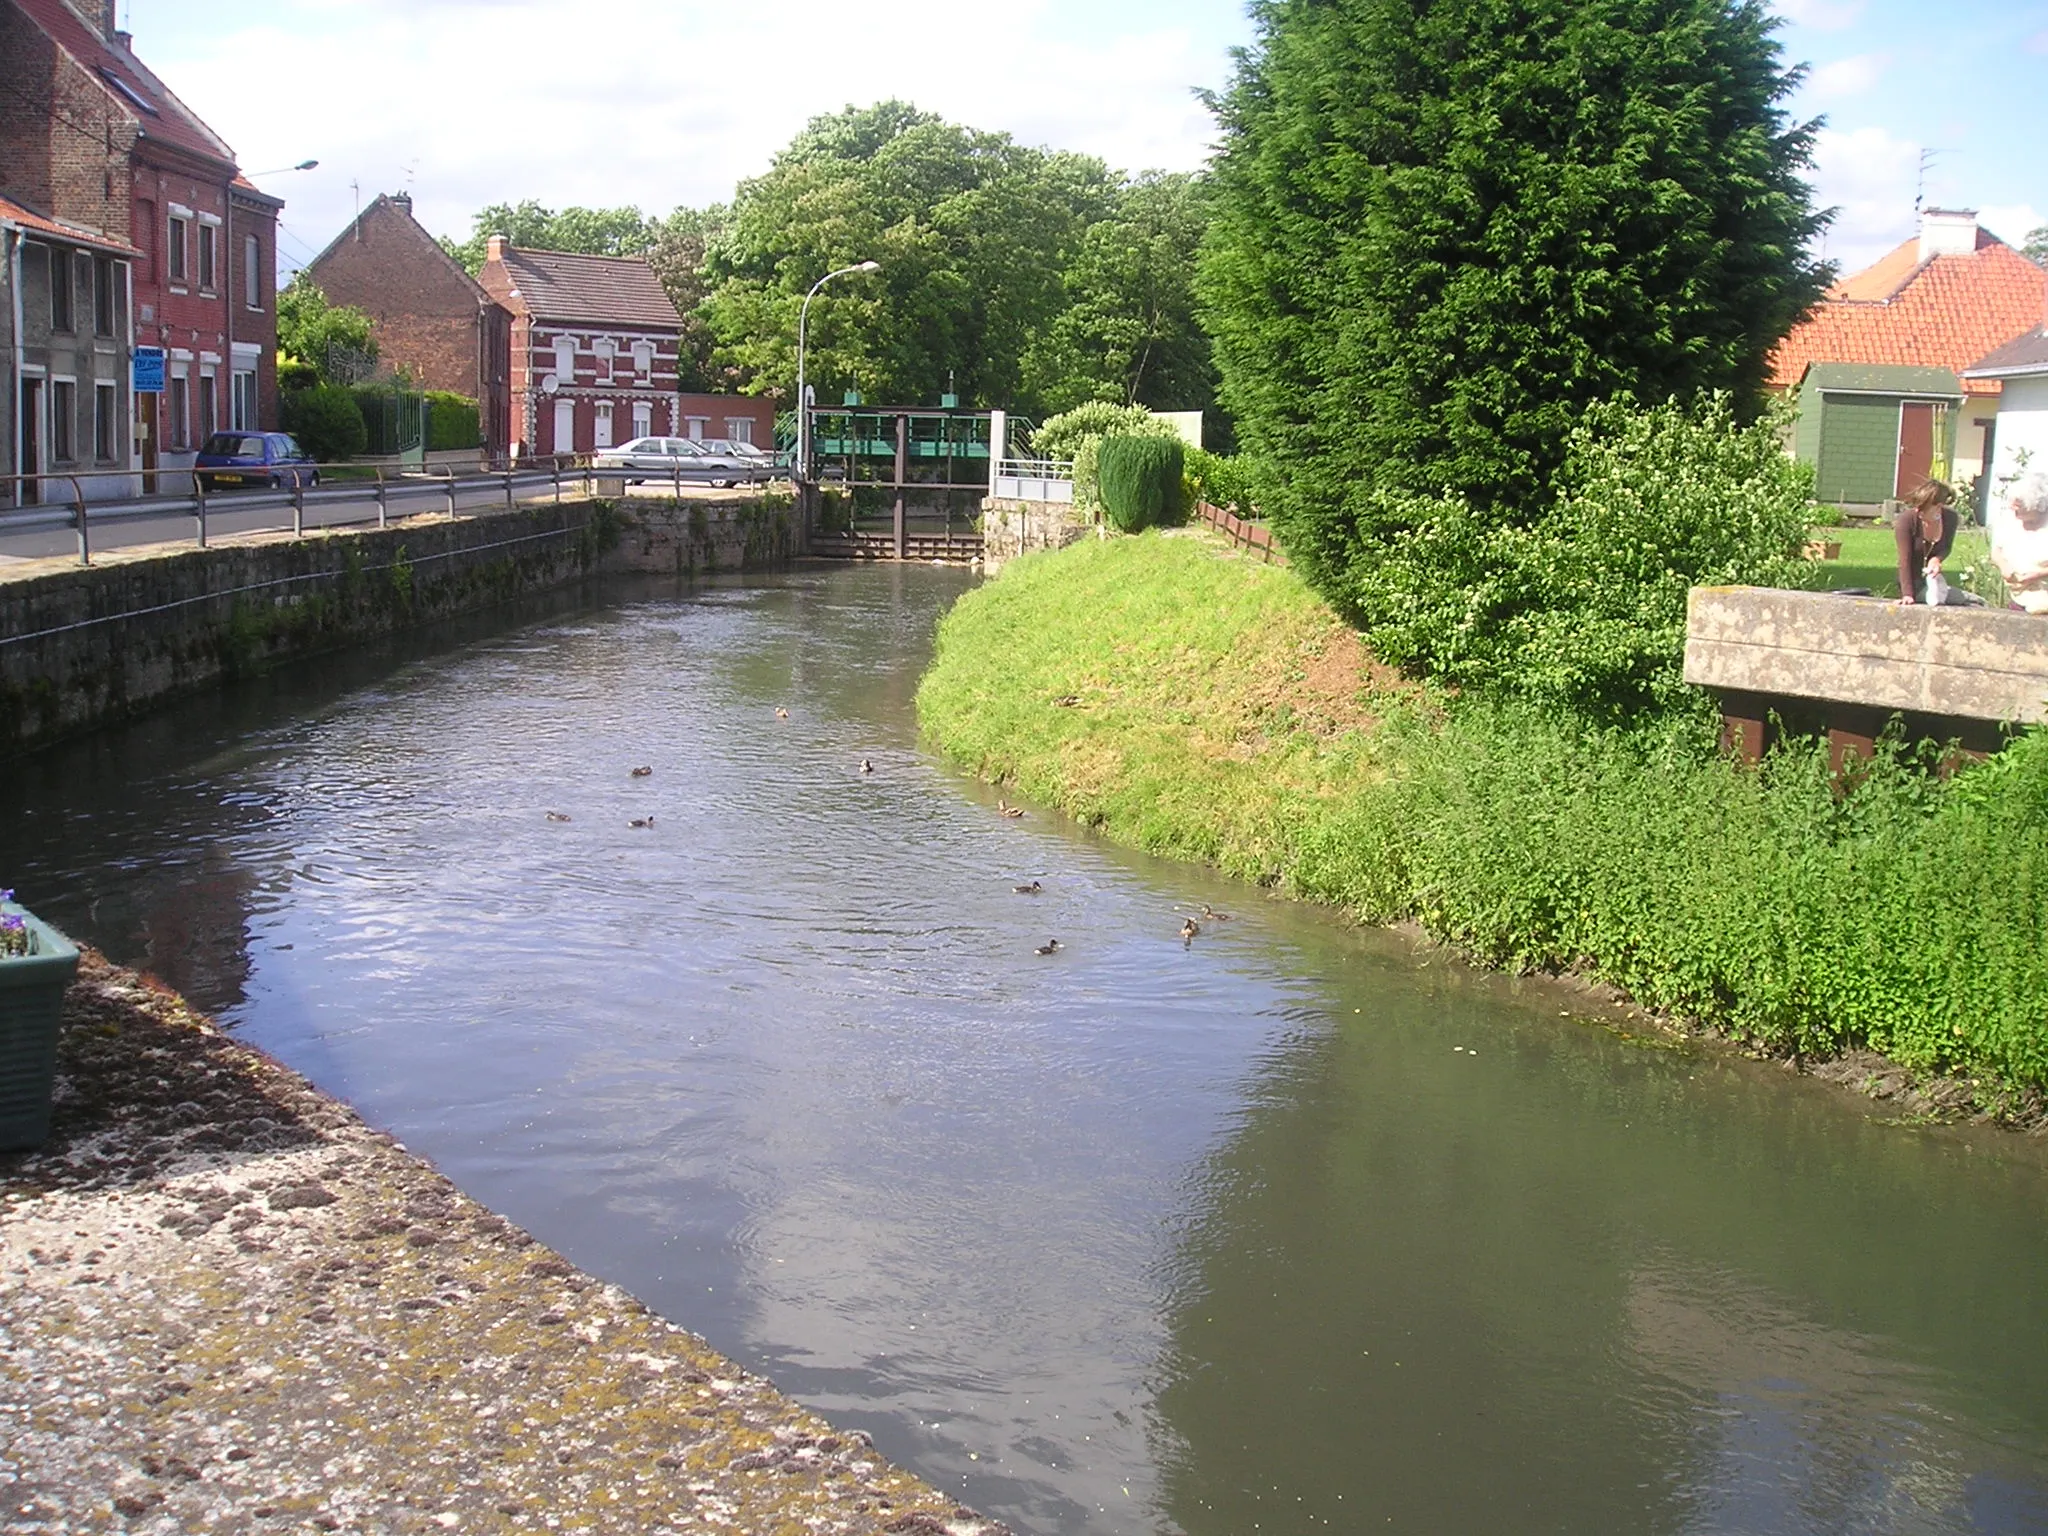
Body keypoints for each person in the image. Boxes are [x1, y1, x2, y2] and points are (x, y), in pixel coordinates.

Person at [1894, 478, 1959, 605]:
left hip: (1933, 581)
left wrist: (1937, 559)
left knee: (1970, 600)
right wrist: (1907, 594)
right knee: (1963, 599)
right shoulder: (1906, 520)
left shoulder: (1950, 518)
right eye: (1917, 507)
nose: (1918, 511)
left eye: (1923, 508)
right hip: (1912, 584)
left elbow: (1946, 547)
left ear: (1939, 507)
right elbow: (1904, 559)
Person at [1991, 472, 2048, 614]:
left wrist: (2037, 574)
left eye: (2021, 506)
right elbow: (1996, 551)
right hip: (2018, 595)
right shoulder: (2008, 519)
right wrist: (2004, 567)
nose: (2014, 509)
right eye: (2013, 504)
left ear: (2037, 506)